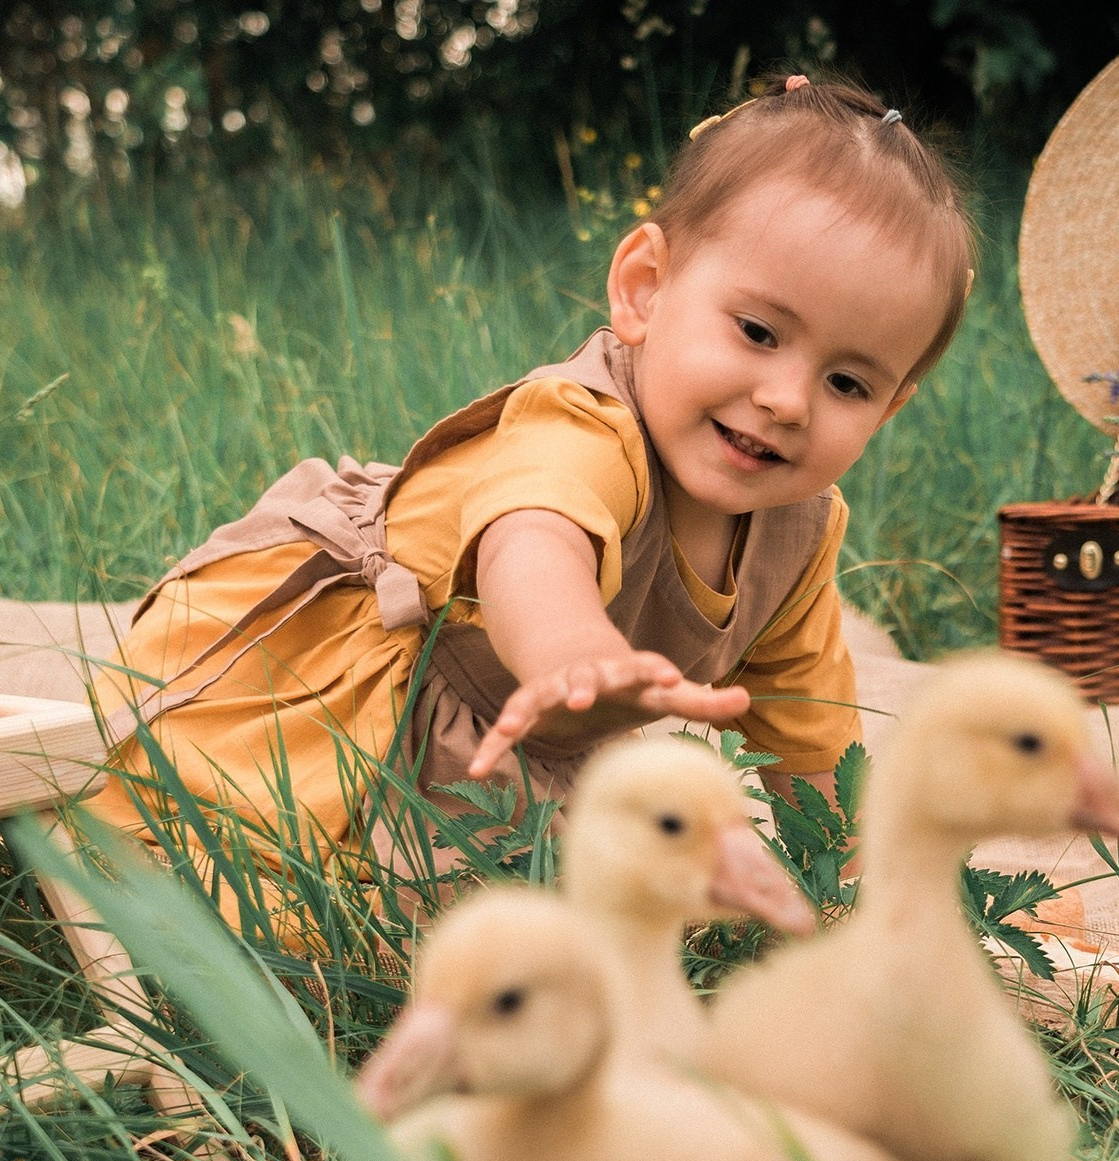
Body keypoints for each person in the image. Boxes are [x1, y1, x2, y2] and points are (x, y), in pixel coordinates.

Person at [87, 76, 973, 882]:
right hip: (339, 671)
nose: (787, 400)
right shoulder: (585, 424)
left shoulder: (798, 532)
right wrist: (571, 649)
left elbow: (810, 738)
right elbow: (530, 537)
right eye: (757, 331)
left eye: (848, 383)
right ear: (645, 288)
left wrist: (862, 881)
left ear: (889, 407)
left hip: (510, 728)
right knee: (247, 885)